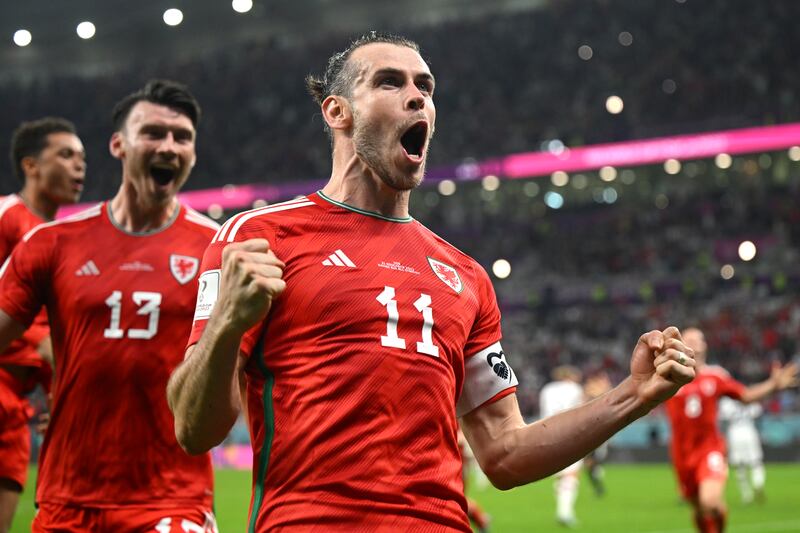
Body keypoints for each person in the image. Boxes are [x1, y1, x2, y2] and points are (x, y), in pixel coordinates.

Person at [168, 32, 696, 532]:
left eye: (426, 86)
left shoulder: (465, 277)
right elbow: (194, 431)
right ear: (337, 112)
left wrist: (634, 395)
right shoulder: (259, 237)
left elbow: (505, 453)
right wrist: (225, 325)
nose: (417, 97)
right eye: (390, 82)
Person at [0, 80, 220, 532]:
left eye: (183, 137)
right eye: (154, 133)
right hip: (68, 499)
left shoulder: (216, 249)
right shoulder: (51, 244)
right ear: (119, 144)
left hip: (173, 498)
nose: (169, 146)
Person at [0, 117, 85, 533]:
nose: (79, 166)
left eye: (83, 158)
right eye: (66, 155)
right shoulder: (6, 217)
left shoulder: (62, 240)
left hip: (18, 406)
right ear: (31, 165)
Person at [664, 327, 798, 533]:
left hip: (709, 449)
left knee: (709, 501)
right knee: (699, 509)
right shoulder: (668, 376)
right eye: (687, 339)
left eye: (697, 339)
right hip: (682, 453)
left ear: (704, 346)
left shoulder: (715, 377)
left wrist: (772, 385)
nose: (692, 343)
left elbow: (745, 395)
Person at [538, 365, 585, 527]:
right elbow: (580, 410)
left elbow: (543, 411)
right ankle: (564, 513)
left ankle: (563, 509)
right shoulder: (576, 389)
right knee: (571, 474)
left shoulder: (547, 389)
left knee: (561, 474)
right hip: (569, 432)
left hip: (547, 431)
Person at [718, 396, 765, 504]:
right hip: (749, 431)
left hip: (735, 433)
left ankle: (746, 495)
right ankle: (758, 483)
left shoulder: (726, 402)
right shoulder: (749, 395)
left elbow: (723, 421)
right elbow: (757, 414)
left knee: (739, 465)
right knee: (756, 462)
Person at [583, 371, 613, 498]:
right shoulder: (590, 392)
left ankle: (597, 474)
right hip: (589, 430)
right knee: (589, 463)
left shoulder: (603, 392)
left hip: (601, 430)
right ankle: (598, 483)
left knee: (595, 460)